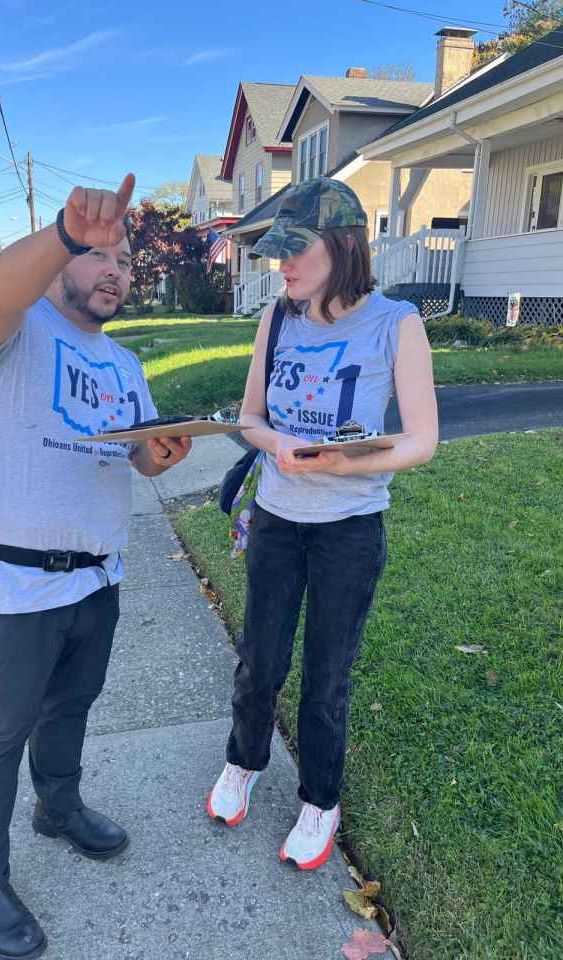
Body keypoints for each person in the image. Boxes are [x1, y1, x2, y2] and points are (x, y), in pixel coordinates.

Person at [0, 174, 191, 959]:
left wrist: (160, 455)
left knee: (70, 709)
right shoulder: (8, 329)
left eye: (124, 260)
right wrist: (67, 231)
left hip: (95, 578)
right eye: (99, 257)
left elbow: (138, 462)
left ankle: (59, 807)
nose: (117, 269)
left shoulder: (124, 363)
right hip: (7, 587)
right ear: (59, 263)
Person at [207, 177, 438, 869]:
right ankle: (243, 762)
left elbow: (422, 439)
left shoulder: (397, 323)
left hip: (349, 529)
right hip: (277, 520)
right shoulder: (277, 318)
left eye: (296, 251)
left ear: (343, 246)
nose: (284, 266)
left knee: (326, 676)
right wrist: (276, 444)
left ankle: (320, 802)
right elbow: (251, 417)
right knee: (260, 660)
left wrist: (340, 465)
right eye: (279, 253)